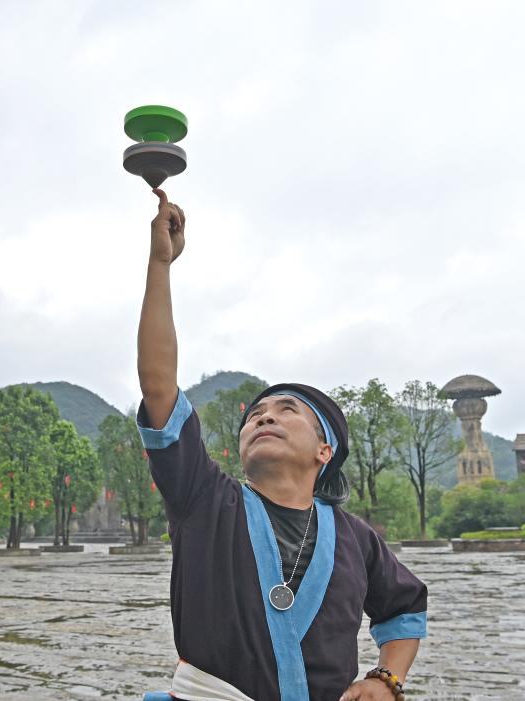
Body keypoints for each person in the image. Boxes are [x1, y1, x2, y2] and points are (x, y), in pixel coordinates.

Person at [137, 190, 427, 701]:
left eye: (287, 410)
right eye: (255, 415)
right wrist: (160, 265)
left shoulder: (356, 539)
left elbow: (405, 609)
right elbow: (159, 386)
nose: (264, 416)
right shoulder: (204, 500)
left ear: (324, 451)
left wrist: (386, 679)